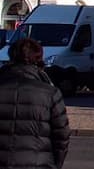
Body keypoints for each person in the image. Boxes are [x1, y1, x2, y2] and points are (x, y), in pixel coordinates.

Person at [0, 38, 70, 168]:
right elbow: (62, 135)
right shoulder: (50, 93)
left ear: (11, 57)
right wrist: (55, 163)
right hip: (38, 163)